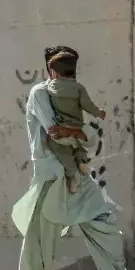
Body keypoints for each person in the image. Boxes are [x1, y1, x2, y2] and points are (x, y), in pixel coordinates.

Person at [12, 47, 135, 270]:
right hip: (52, 174)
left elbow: (88, 135)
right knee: (41, 235)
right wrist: (78, 133)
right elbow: (54, 130)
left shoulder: (73, 94)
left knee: (103, 222)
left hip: (75, 171)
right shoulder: (40, 93)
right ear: (51, 70)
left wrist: (78, 133)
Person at [42, 54, 105, 194]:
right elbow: (88, 105)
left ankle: (72, 172)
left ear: (54, 73)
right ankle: (82, 161)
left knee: (59, 147)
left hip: (61, 131)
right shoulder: (78, 88)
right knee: (77, 145)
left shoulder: (51, 87)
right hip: (78, 128)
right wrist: (98, 112)